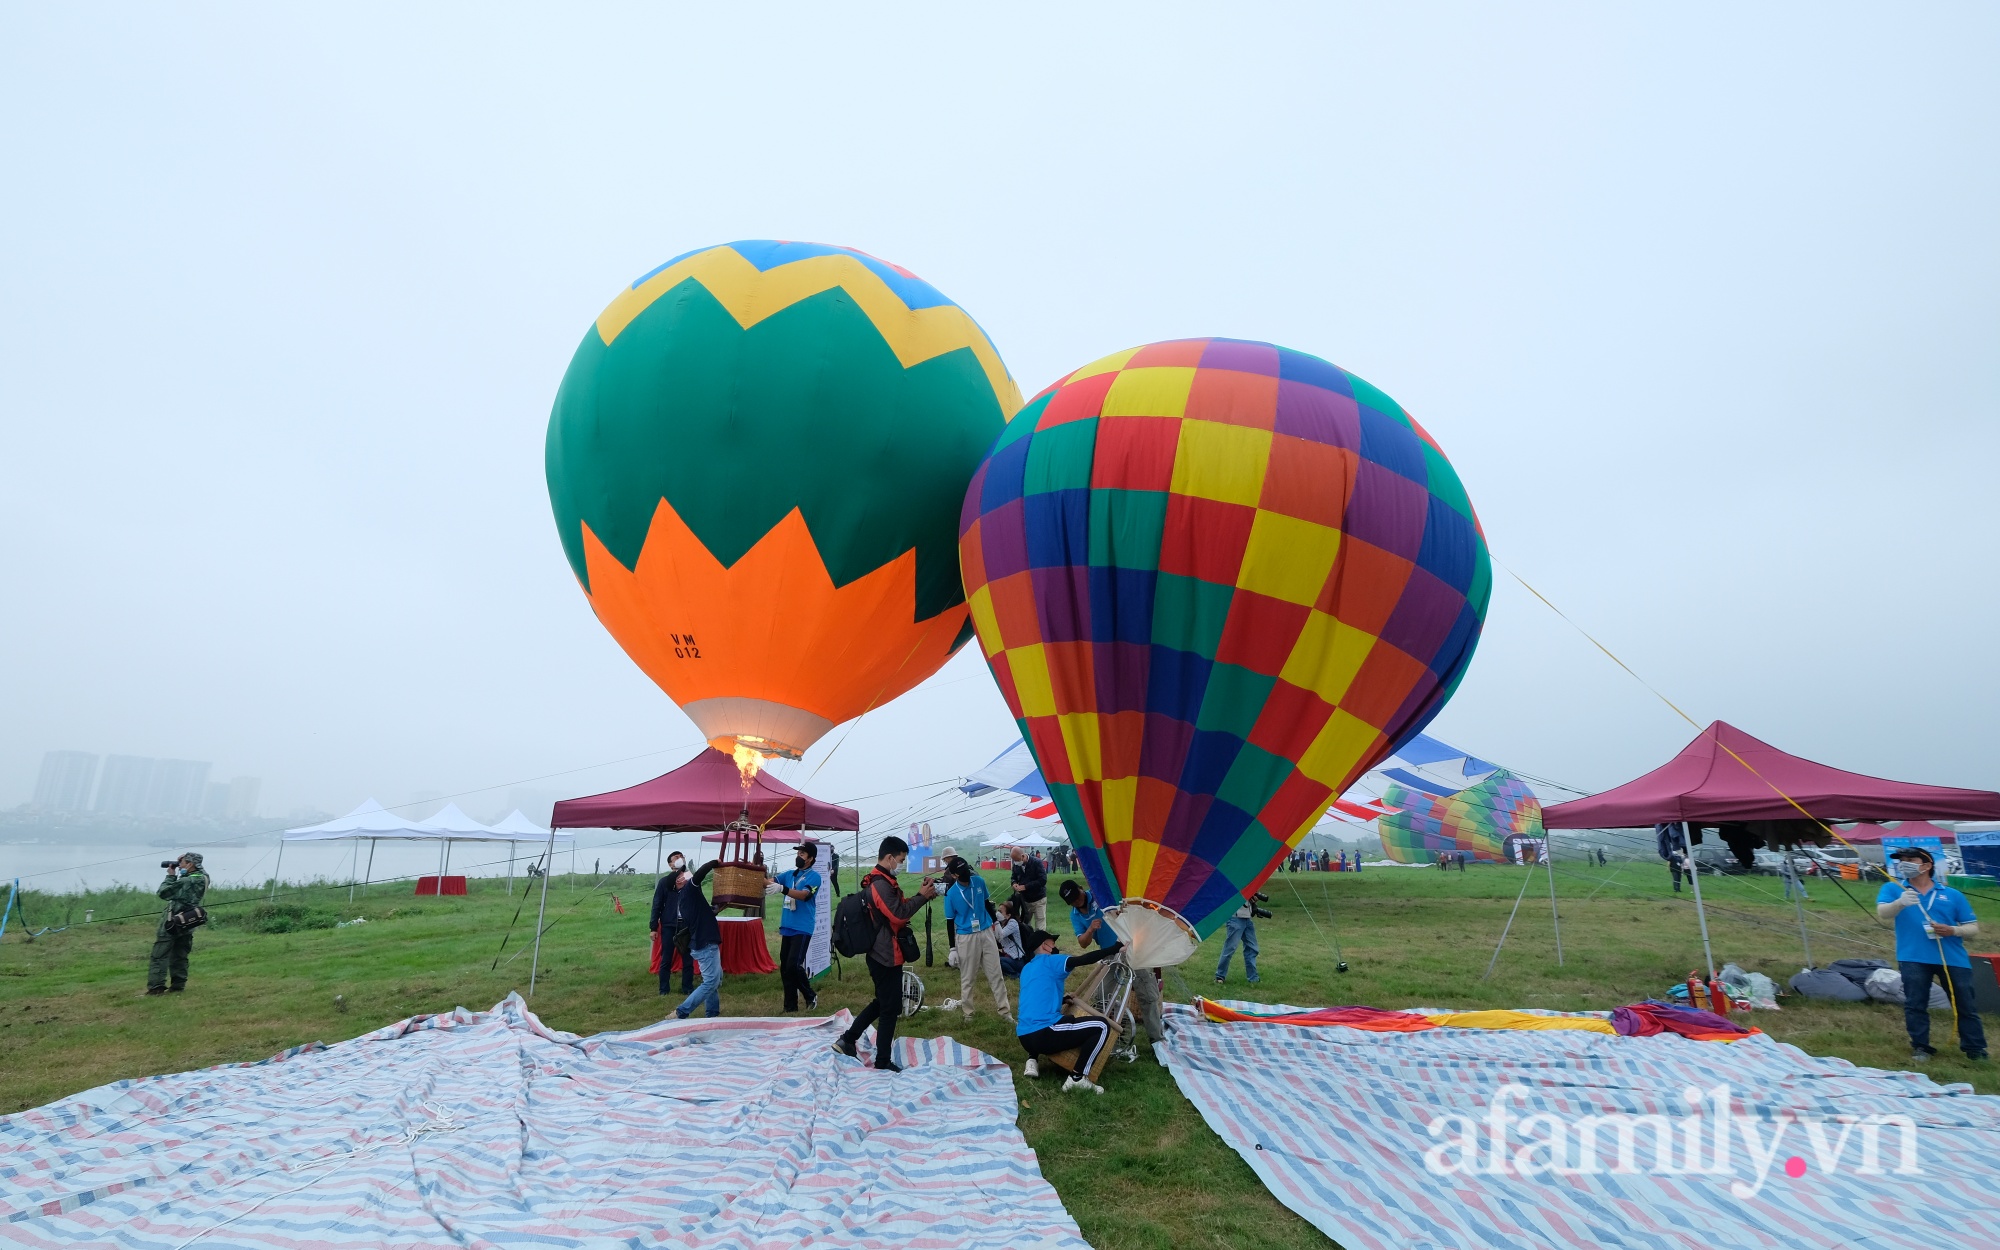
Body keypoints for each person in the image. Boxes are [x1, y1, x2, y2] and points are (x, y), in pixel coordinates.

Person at [835, 836, 937, 1072]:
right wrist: (922, 897)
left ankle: (848, 1040)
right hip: (884, 955)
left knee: (883, 1002)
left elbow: (897, 908)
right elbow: (899, 915)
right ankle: (882, 1061)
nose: (901, 864)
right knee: (890, 1008)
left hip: (884, 952)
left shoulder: (883, 880)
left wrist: (920, 895)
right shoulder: (880, 885)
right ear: (890, 858)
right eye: (900, 860)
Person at [1877, 846, 1986, 1064]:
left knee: (1965, 1004)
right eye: (1901, 860)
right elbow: (1883, 914)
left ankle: (1975, 1049)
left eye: (1910, 859)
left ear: (1926, 865)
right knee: (1915, 1003)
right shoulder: (1894, 888)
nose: (1904, 863)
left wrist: (1953, 930)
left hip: (1952, 958)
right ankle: (1921, 1046)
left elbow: (1973, 927)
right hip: (1913, 957)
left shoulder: (1952, 895)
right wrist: (1900, 902)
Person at [1015, 928, 1124, 1093]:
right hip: (1043, 1034)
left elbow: (1037, 996)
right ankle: (1077, 1078)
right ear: (1045, 946)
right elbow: (1084, 959)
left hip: (1024, 1037)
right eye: (1052, 942)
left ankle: (1032, 1060)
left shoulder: (1027, 969)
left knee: (1063, 1019)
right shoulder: (1051, 961)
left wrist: (1062, 1000)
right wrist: (1115, 948)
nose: (1054, 945)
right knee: (1101, 1026)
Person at [943, 857, 1010, 1022]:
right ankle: (968, 1013)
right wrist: (952, 948)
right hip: (966, 936)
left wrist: (996, 923)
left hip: (986, 931)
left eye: (967, 870)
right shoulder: (951, 894)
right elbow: (950, 922)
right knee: (968, 976)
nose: (967, 875)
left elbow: (987, 903)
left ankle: (1005, 1012)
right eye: (962, 873)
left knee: (996, 974)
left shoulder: (978, 881)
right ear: (954, 876)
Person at [145, 852, 209, 995]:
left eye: (182, 862)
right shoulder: (204, 878)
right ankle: (178, 986)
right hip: (189, 921)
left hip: (173, 921)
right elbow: (200, 870)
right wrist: (185, 861)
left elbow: (163, 893)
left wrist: (171, 875)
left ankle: (156, 988)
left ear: (190, 865)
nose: (179, 864)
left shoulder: (185, 881)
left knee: (159, 955)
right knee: (180, 954)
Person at [772, 842, 823, 1012]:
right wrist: (757, 875)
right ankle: (790, 1007)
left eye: (802, 854)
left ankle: (810, 995)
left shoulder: (814, 877)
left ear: (810, 858)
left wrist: (782, 889)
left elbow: (804, 895)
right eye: (798, 853)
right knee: (785, 967)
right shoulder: (789, 875)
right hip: (787, 926)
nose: (798, 856)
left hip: (802, 927)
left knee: (794, 965)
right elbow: (770, 881)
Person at [673, 860, 724, 1019]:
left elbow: (704, 913)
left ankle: (712, 1013)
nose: (687, 875)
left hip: (702, 943)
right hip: (705, 944)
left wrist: (717, 909)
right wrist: (714, 863)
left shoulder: (686, 899)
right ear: (680, 882)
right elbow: (700, 874)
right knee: (710, 982)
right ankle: (682, 1011)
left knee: (714, 980)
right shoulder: (689, 890)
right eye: (683, 874)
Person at [650, 851, 690, 996]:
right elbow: (657, 905)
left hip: (686, 924)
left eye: (682, 857)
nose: (680, 859)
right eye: (676, 858)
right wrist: (653, 927)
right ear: (670, 864)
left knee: (688, 958)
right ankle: (664, 990)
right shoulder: (664, 882)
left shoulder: (689, 880)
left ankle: (687, 988)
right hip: (669, 925)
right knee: (666, 958)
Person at [1214, 893, 1267, 985]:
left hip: (1247, 918)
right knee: (1230, 948)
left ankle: (1253, 978)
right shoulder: (1237, 884)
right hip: (1235, 918)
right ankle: (1220, 976)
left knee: (1252, 948)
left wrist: (1253, 899)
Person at [1059, 879, 1109, 949]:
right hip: (1108, 949)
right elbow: (1083, 944)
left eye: (1077, 896)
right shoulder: (1075, 915)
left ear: (1081, 888)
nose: (1076, 900)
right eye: (1072, 900)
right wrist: (1090, 929)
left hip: (1125, 939)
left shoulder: (1097, 893)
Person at [1010, 846, 1048, 932]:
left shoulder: (1037, 862)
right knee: (1025, 924)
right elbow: (1013, 877)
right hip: (1025, 900)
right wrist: (1014, 883)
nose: (1015, 862)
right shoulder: (1016, 865)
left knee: (1040, 924)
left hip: (1039, 898)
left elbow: (1043, 880)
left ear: (1023, 856)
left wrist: (1026, 886)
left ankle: (1040, 943)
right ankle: (1028, 943)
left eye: (1017, 860)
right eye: (1014, 860)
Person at [995, 899, 1027, 976]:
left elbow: (1000, 935)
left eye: (1001, 912)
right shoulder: (1001, 924)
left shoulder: (1012, 923)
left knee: (997, 961)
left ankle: (1015, 975)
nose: (998, 913)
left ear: (1008, 915)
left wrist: (994, 922)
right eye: (998, 911)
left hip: (1016, 959)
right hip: (1006, 955)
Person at [1657, 822, 1688, 893]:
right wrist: (1667, 868)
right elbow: (1668, 862)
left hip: (1678, 869)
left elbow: (1681, 863)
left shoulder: (1680, 858)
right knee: (1675, 878)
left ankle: (1678, 889)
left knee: (1679, 879)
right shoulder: (1672, 857)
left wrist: (1682, 869)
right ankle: (1676, 889)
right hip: (1673, 869)